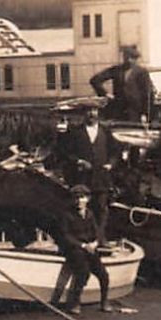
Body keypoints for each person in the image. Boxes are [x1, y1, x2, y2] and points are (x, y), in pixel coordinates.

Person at [58, 101, 115, 246]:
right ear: (83, 114)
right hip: (82, 178)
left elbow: (116, 151)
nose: (91, 114)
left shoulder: (105, 131)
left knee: (101, 209)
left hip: (101, 178)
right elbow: (64, 152)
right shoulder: (75, 132)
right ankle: (81, 238)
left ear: (98, 113)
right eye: (88, 111)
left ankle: (100, 238)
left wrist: (111, 164)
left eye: (94, 110)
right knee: (81, 208)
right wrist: (78, 161)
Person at [52, 185, 112, 314]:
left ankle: (105, 301)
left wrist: (95, 243)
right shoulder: (67, 215)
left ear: (88, 199)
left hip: (90, 247)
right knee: (83, 272)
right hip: (75, 248)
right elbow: (66, 235)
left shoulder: (89, 214)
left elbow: (96, 232)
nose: (80, 201)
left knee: (103, 274)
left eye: (83, 197)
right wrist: (83, 246)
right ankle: (75, 303)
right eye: (77, 198)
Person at [90, 45, 154, 123]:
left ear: (136, 59)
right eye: (126, 57)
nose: (129, 60)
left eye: (132, 58)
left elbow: (148, 93)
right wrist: (105, 94)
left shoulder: (142, 72)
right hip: (118, 111)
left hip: (136, 112)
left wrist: (145, 114)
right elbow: (95, 80)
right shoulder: (116, 70)